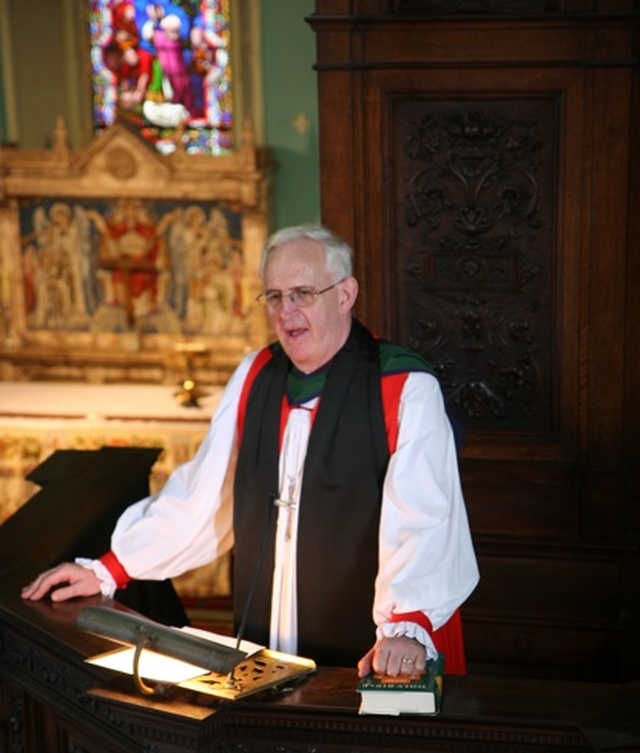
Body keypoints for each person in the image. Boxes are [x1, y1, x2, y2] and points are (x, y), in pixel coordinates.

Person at [22, 224, 479, 678]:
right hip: (265, 639)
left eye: (303, 293)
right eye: (274, 296)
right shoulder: (256, 374)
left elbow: (425, 516)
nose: (287, 312)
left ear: (345, 295)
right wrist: (110, 569)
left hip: (368, 649)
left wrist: (407, 622)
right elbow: (205, 496)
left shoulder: (402, 386)